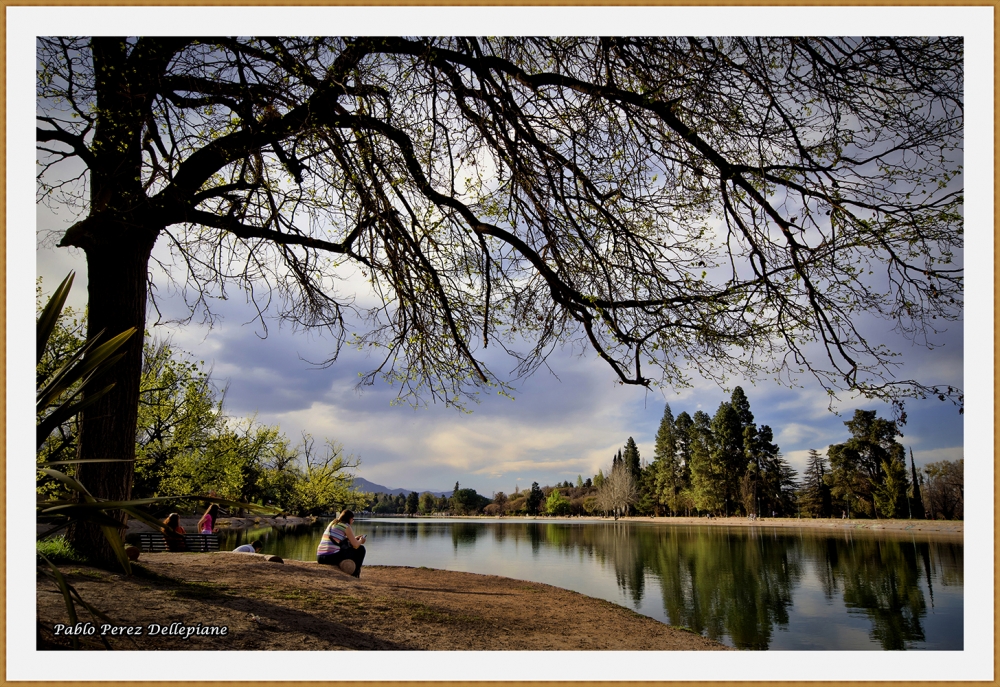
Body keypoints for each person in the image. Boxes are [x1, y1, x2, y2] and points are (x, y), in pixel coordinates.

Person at [316, 509, 367, 578]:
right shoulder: (346, 526)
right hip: (330, 557)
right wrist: (361, 541)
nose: (353, 521)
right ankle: (355, 574)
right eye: (353, 519)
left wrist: (354, 538)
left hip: (320, 557)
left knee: (352, 548)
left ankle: (350, 569)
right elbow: (355, 545)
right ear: (350, 518)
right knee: (361, 549)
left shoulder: (333, 523)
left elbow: (338, 539)